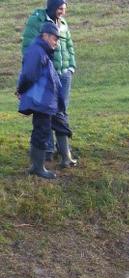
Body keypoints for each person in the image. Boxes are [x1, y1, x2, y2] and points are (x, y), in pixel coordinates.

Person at [22, 0, 76, 168]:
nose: (62, 12)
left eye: (64, 9)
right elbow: (28, 47)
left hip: (63, 72)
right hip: (46, 74)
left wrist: (71, 66)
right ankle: (47, 151)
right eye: (60, 8)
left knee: (60, 110)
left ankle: (64, 154)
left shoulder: (63, 23)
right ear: (52, 7)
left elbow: (68, 44)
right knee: (45, 112)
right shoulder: (37, 21)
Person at [16, 22, 63, 180]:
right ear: (45, 36)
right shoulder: (37, 51)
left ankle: (36, 166)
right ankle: (38, 168)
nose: (56, 42)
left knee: (40, 130)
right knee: (41, 131)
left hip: (43, 100)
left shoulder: (42, 51)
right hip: (40, 100)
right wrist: (21, 90)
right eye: (55, 38)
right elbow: (29, 75)